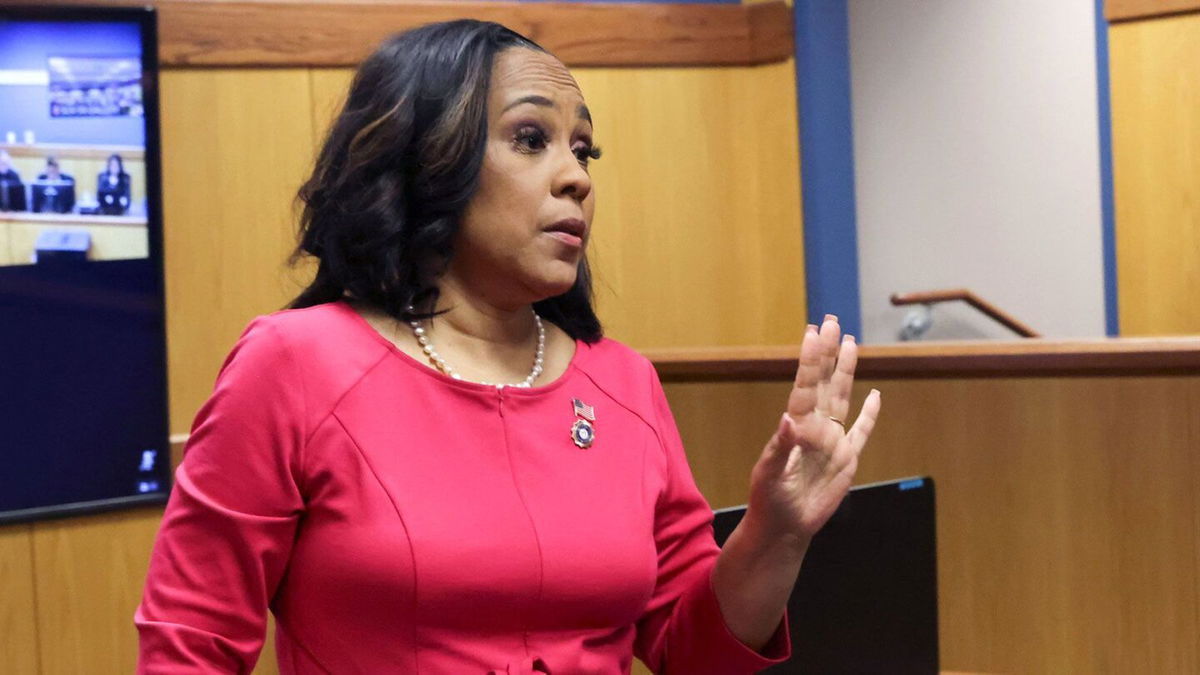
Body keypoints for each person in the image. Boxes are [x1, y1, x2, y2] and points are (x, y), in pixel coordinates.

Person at [135, 20, 881, 674]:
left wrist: (775, 533)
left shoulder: (623, 382)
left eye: (584, 151)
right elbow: (189, 644)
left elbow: (693, 650)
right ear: (426, 158)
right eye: (532, 139)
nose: (575, 178)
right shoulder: (294, 363)